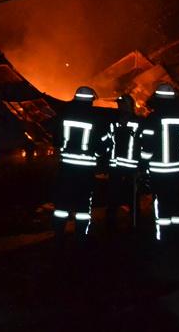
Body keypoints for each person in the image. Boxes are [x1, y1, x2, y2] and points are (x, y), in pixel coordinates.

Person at [52, 85, 108, 245]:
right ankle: (80, 236)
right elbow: (101, 147)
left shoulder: (64, 115)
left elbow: (55, 140)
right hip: (85, 170)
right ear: (91, 100)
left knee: (62, 203)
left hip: (66, 169)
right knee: (83, 204)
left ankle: (58, 234)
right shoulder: (96, 118)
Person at [139, 82, 179, 242]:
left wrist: (143, 167)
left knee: (162, 204)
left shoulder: (152, 118)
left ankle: (163, 238)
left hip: (159, 171)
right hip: (178, 170)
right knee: (176, 202)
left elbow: (147, 147)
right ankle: (177, 236)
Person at [105, 94, 141, 233]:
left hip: (132, 167)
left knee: (132, 197)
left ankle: (134, 226)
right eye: (119, 104)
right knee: (113, 197)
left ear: (130, 105)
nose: (120, 106)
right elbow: (108, 140)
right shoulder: (114, 121)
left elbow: (144, 143)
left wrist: (142, 166)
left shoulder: (138, 122)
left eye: (122, 103)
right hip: (115, 166)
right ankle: (110, 226)